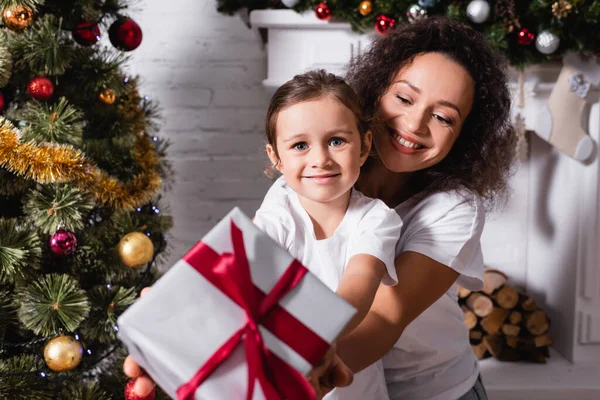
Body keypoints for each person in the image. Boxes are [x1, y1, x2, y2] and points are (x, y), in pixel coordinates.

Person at [125, 16, 516, 400]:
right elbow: (249, 267)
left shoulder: (453, 209)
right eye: (403, 97)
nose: (414, 123)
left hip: (433, 391)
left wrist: (298, 375)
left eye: (443, 116)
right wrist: (184, 317)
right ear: (376, 93)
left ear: (464, 135)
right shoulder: (313, 182)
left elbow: (382, 317)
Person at [254, 69, 402, 400]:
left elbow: (357, 288)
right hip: (284, 376)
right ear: (276, 157)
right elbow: (249, 266)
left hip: (352, 389)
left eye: (336, 141)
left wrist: (306, 341)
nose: (320, 159)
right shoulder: (279, 206)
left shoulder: (376, 219)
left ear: (364, 147)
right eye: (300, 145)